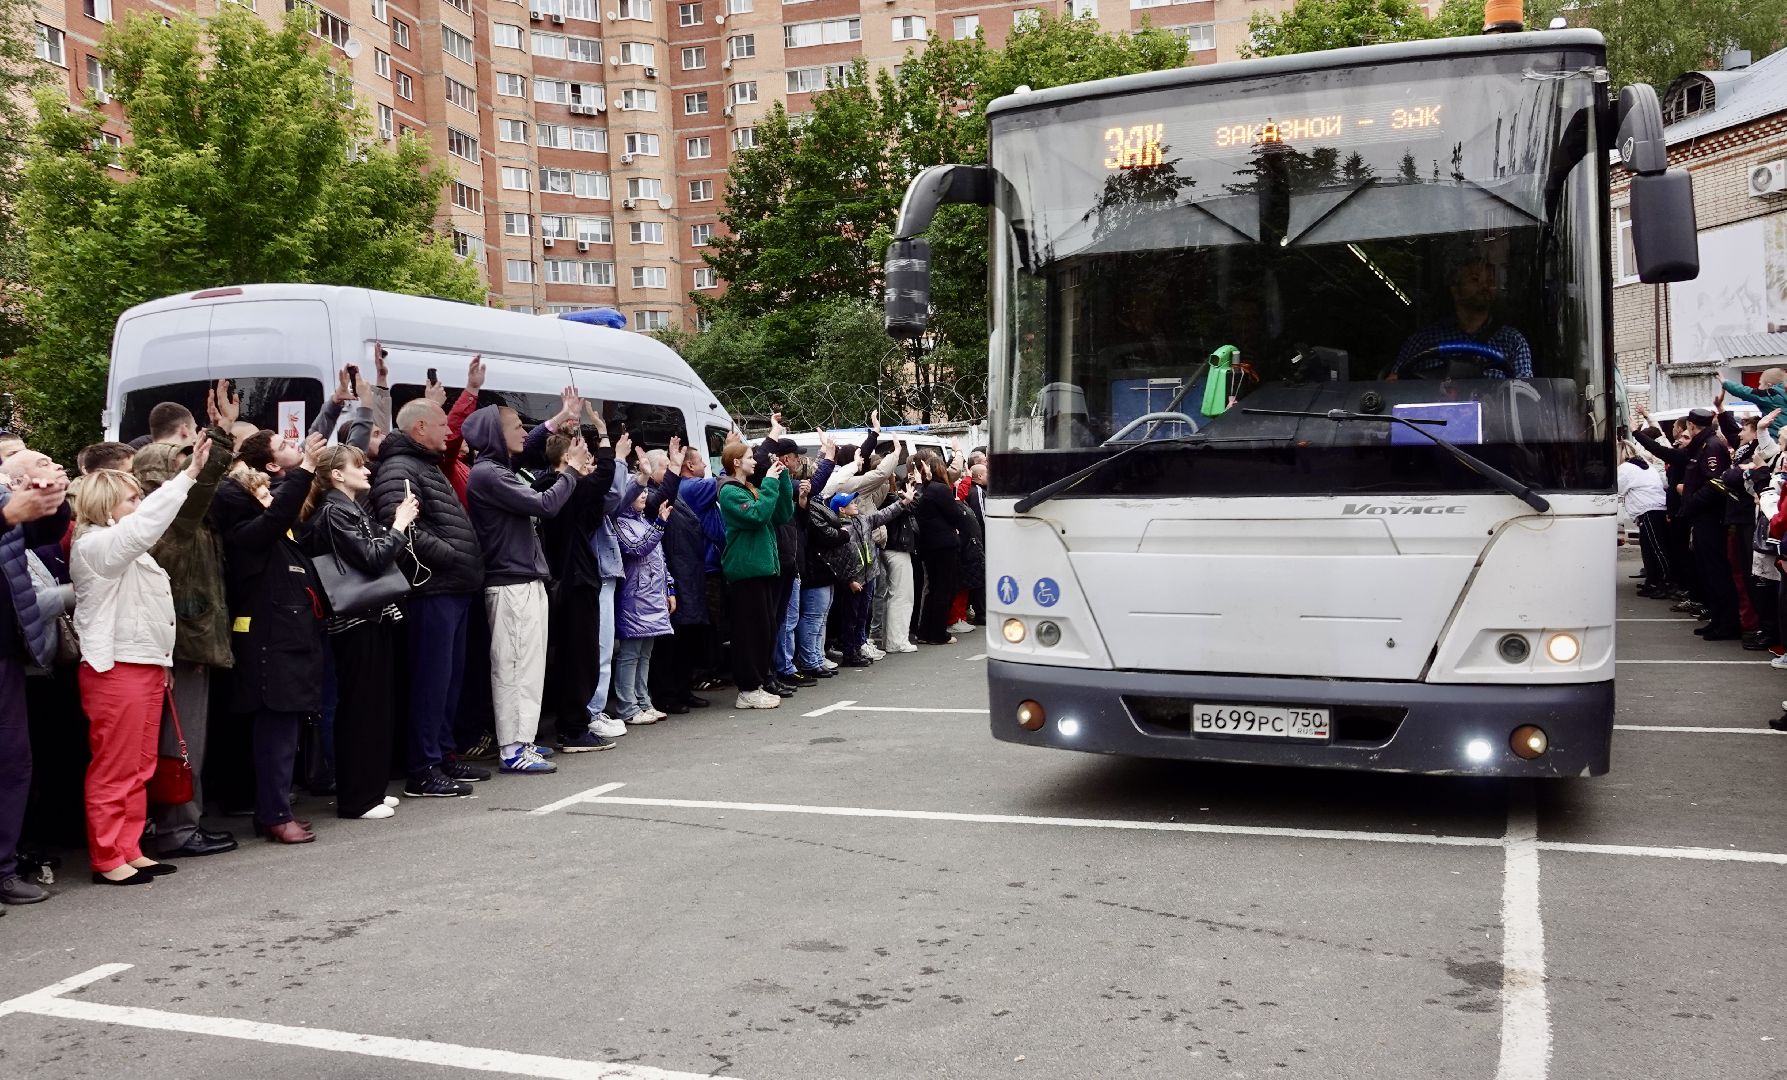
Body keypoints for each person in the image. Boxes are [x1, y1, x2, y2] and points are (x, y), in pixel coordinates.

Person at [71, 438, 210, 883]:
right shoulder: (96, 545)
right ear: (108, 504)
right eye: (133, 497)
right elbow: (142, 528)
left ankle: (128, 846)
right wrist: (186, 479)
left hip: (143, 665)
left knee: (140, 764)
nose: (141, 502)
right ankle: (109, 856)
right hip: (117, 669)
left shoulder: (114, 544)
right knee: (116, 766)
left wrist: (161, 663)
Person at [129, 383, 242, 859]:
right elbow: (196, 490)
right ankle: (177, 828)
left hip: (184, 630)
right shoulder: (171, 515)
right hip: (181, 635)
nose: (189, 464)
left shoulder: (171, 517)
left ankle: (179, 823)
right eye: (181, 457)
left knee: (182, 736)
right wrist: (220, 433)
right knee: (182, 738)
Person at [371, 392, 489, 797]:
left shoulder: (425, 466)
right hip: (431, 590)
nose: (449, 432)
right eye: (442, 424)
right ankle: (423, 768)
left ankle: (442, 755)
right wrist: (455, 556)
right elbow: (401, 526)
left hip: (451, 588)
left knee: (449, 680)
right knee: (431, 681)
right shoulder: (400, 467)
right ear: (419, 428)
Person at [213, 430, 326, 844]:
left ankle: (274, 809)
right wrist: (308, 469)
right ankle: (275, 814)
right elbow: (278, 516)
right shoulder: (246, 534)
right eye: (259, 490)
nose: (269, 497)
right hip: (267, 638)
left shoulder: (270, 529)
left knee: (285, 728)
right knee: (275, 730)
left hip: (289, 634)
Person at [300, 445, 419, 820]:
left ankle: (370, 788)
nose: (366, 471)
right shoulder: (334, 512)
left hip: (371, 616)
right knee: (361, 708)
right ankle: (358, 797)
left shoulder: (348, 509)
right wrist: (398, 525)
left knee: (375, 706)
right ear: (336, 474)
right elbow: (371, 558)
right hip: (355, 620)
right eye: (357, 465)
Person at [462, 402, 578, 773]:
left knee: (528, 666)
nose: (524, 433)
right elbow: (545, 504)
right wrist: (571, 472)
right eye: (515, 427)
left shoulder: (496, 469)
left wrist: (557, 420)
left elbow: (530, 444)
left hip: (522, 579)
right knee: (513, 667)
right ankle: (512, 748)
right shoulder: (490, 474)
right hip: (510, 582)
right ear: (496, 435)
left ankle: (523, 740)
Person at [0, 463, 70, 905]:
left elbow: (39, 539)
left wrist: (52, 505)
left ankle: (4, 870)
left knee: (13, 765)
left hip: (7, 655)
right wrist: (8, 516)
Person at [539, 410, 624, 752]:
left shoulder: (565, 488)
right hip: (571, 582)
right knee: (578, 656)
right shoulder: (555, 486)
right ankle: (572, 728)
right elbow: (603, 478)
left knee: (581, 655)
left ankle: (573, 722)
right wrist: (603, 436)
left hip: (576, 578)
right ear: (565, 457)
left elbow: (605, 495)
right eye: (580, 454)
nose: (588, 461)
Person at [717, 441, 793, 709]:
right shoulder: (729, 492)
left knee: (766, 630)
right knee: (749, 633)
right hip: (745, 571)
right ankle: (747, 689)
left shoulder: (750, 489)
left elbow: (782, 513)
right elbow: (759, 516)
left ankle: (757, 684)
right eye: (750, 458)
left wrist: (782, 480)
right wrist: (770, 482)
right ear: (736, 462)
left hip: (762, 570)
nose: (755, 462)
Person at [613, 460, 681, 724]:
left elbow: (660, 560)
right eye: (637, 491)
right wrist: (661, 525)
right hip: (633, 596)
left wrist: (669, 588)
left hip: (653, 596)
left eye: (644, 492)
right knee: (630, 654)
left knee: (645, 652)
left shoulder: (644, 520)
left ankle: (643, 701)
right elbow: (636, 548)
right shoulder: (620, 522)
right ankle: (628, 707)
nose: (643, 495)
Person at [1393, 252, 1534, 380]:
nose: (1484, 287)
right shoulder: (1423, 340)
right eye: (1475, 280)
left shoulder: (1513, 342)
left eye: (1490, 282)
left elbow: (1525, 398)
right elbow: (1392, 387)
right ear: (1455, 290)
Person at [1675, 408, 1741, 640]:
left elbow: (1716, 483)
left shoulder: (1710, 446)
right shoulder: (1702, 445)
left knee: (1716, 572)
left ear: (1692, 426)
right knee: (1706, 572)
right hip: (1701, 516)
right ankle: (1717, 619)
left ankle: (1728, 624)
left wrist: (1692, 501)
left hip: (1710, 518)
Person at [911, 450, 976, 645]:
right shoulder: (940, 490)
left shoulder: (924, 490)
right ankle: (938, 633)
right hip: (944, 544)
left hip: (928, 544)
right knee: (943, 588)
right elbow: (954, 515)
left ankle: (926, 631)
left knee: (933, 588)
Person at [1618, 442, 1670, 598]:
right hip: (1655, 509)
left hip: (1648, 510)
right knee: (1651, 549)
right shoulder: (1644, 464)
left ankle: (1664, 583)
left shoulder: (1625, 469)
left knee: (1655, 549)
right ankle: (1653, 581)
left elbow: (1618, 489)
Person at [1722, 369, 1787, 438]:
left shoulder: (1772, 395)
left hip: (1776, 439)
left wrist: (1726, 383)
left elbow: (1745, 392)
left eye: (1760, 383)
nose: (1758, 387)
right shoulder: (1783, 395)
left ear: (1769, 385)